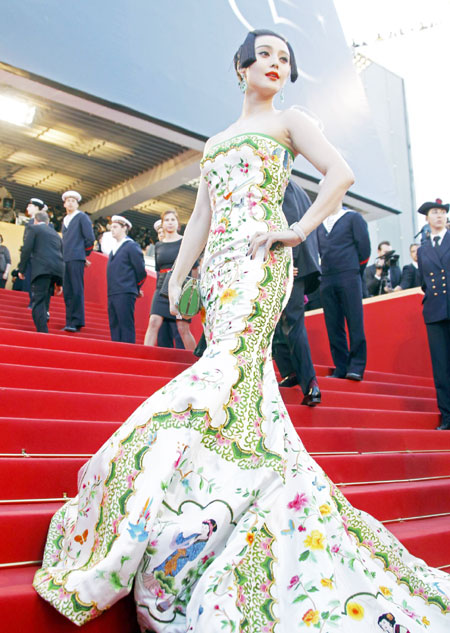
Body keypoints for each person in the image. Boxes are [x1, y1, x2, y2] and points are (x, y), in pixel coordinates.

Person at [34, 30, 450, 632]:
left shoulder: (293, 121)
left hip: (262, 257)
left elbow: (342, 172)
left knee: (227, 364)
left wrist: (296, 228)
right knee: (240, 379)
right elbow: (202, 212)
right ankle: (236, 480)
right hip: (222, 264)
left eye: (286, 58)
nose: (276, 64)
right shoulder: (216, 141)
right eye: (267, 55)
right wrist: (178, 277)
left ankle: (196, 480)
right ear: (241, 66)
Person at [272, 180, 322, 405]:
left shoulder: (285, 187)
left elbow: (290, 227)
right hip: (292, 265)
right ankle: (291, 373)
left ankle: (310, 383)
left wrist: (287, 263)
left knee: (290, 325)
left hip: (290, 266)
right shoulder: (300, 190)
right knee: (280, 324)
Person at [317, 202, 371, 380]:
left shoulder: (353, 217)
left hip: (349, 274)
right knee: (333, 325)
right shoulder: (320, 223)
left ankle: (356, 366)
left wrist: (354, 270)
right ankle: (341, 366)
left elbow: (365, 249)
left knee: (354, 321)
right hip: (326, 277)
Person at [416, 198, 450, 431]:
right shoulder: (423, 249)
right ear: (427, 219)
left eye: (442, 212)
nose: (438, 216)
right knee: (441, 368)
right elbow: (424, 283)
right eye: (434, 213)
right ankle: (447, 415)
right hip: (435, 311)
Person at [144, 209, 197, 350]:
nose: (169, 223)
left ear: (178, 223)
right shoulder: (159, 245)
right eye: (166, 220)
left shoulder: (185, 242)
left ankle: (195, 360)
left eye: (172, 219)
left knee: (182, 328)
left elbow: (195, 267)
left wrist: (191, 293)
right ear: (162, 224)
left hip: (180, 287)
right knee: (153, 321)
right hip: (161, 289)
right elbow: (157, 269)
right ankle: (143, 356)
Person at [17, 210, 64, 333]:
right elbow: (61, 255)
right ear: (48, 223)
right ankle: (45, 317)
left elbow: (26, 249)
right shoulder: (56, 235)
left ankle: (43, 332)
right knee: (45, 299)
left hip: (42, 270)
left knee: (38, 301)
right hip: (56, 271)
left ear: (36, 220)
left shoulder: (34, 229)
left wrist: (21, 269)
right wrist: (60, 282)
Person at [107, 215, 147, 343]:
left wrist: (135, 288)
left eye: (115, 227)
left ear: (124, 228)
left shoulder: (131, 246)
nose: (112, 229)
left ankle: (128, 352)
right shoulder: (114, 248)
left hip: (125, 291)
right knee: (115, 325)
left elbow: (141, 271)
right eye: (111, 227)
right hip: (113, 291)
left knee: (125, 324)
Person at [61, 190, 95, 333]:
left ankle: (77, 321)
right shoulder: (65, 219)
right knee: (68, 291)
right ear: (64, 204)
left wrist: (83, 254)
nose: (70, 203)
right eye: (68, 200)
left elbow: (90, 238)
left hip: (76, 257)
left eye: (73, 201)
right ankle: (69, 321)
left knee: (76, 289)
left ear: (77, 203)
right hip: (65, 258)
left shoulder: (81, 217)